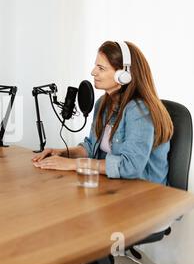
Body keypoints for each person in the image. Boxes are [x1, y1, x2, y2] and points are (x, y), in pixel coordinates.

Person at [32, 41, 173, 185]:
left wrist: (74, 164)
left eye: (101, 68)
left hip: (147, 193)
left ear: (124, 75)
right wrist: (62, 153)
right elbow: (91, 147)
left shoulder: (138, 110)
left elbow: (130, 167)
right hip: (116, 186)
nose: (93, 72)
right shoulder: (103, 104)